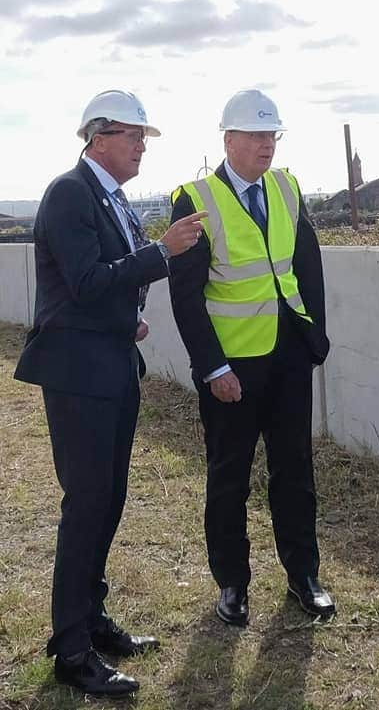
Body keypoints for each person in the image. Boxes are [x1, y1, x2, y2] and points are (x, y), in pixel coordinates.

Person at [15, 90, 207, 697]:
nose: (140, 146)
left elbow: (103, 289)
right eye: (132, 135)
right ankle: (71, 649)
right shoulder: (70, 192)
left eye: (143, 137)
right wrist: (162, 252)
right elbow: (88, 280)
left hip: (111, 365)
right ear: (97, 137)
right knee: (88, 504)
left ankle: (91, 621)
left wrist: (129, 322)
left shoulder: (112, 197)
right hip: (79, 375)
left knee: (110, 499)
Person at [167, 89, 333, 628]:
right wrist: (211, 367)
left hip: (287, 355)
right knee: (228, 473)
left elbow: (306, 263)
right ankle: (233, 583)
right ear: (229, 139)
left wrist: (316, 336)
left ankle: (303, 575)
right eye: (257, 136)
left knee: (294, 468)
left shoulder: (286, 187)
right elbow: (186, 295)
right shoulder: (195, 198)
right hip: (233, 367)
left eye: (272, 136)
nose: (267, 146)